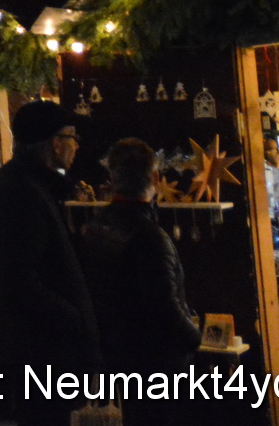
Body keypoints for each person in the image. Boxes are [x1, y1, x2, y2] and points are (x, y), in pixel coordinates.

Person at [0, 100, 100, 426]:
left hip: (41, 347)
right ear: (55, 142)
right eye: (72, 137)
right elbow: (19, 278)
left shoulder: (28, 186)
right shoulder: (22, 193)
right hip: (44, 350)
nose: (75, 147)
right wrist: (72, 317)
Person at [79, 138, 200, 426]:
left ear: (112, 178)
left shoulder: (99, 225)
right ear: (155, 178)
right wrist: (194, 337)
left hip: (118, 354)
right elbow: (165, 308)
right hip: (156, 362)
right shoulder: (150, 237)